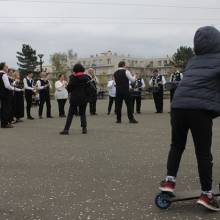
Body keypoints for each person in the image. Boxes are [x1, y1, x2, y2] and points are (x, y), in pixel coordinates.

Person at [159, 26, 220, 211]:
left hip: (178, 106)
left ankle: (169, 182)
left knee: (176, 145)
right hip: (199, 110)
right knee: (203, 153)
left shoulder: (192, 61)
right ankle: (207, 193)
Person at [60, 63, 91, 135]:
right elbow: (89, 88)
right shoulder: (86, 77)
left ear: (75, 70)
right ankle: (84, 128)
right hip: (83, 98)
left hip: (74, 98)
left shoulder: (72, 78)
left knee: (70, 114)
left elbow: (69, 89)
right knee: (82, 113)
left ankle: (66, 129)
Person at [0, 63, 22, 128]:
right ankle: (5, 124)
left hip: (2, 94)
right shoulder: (4, 75)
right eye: (6, 66)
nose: (7, 67)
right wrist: (14, 89)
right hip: (7, 94)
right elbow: (7, 86)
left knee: (3, 108)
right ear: (3, 67)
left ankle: (4, 123)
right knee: (6, 109)